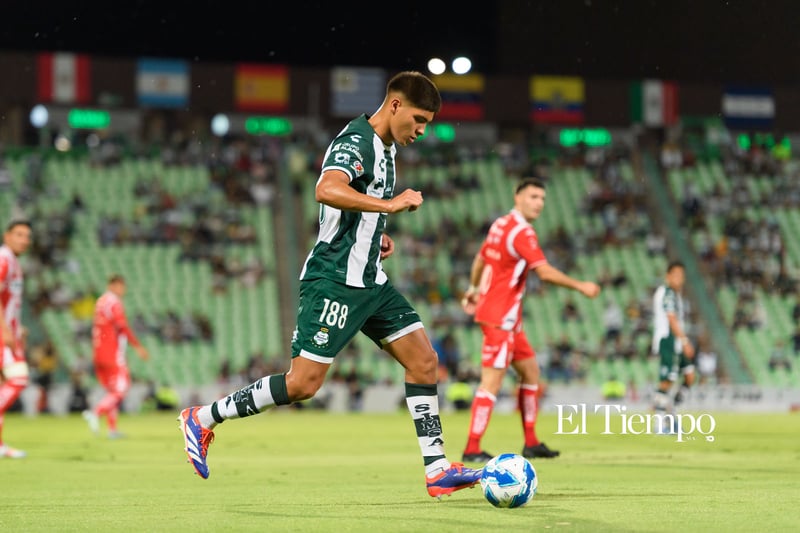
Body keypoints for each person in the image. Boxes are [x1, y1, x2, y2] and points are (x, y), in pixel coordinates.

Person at [178, 71, 482, 498]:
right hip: (335, 281)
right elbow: (326, 188)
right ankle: (204, 417)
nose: (421, 130)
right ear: (394, 105)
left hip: (370, 280)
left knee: (424, 362)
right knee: (303, 384)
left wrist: (376, 230)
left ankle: (436, 469)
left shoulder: (387, 149)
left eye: (426, 124)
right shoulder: (357, 141)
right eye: (417, 119)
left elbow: (352, 206)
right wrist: (389, 205)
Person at [460, 178, 601, 463]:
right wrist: (581, 286)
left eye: (542, 199)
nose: (539, 203)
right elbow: (545, 273)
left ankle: (532, 442)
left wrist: (474, 289)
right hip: (500, 318)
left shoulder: (500, 224)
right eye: (533, 196)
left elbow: (480, 259)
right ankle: (472, 448)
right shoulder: (522, 233)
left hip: (508, 319)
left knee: (531, 373)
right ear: (518, 196)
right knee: (491, 383)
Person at [82, 274, 149, 438]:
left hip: (98, 352)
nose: (123, 290)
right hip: (112, 353)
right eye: (120, 286)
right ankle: (95, 413)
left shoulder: (100, 301)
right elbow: (122, 326)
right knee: (121, 389)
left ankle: (112, 429)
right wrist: (138, 347)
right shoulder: (113, 302)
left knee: (112, 392)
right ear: (112, 285)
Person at [0, 220, 32, 458]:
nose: (24, 240)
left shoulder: (13, 261)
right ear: (7, 236)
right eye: (19, 234)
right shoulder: (4, 259)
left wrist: (16, 327)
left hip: (9, 331)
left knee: (6, 385)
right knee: (18, 379)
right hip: (2, 334)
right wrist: (4, 329)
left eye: (27, 236)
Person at [651, 260, 695, 432]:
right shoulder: (667, 293)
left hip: (676, 341)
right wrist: (684, 341)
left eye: (681, 276)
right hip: (669, 340)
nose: (679, 279)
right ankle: (659, 423)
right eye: (675, 275)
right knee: (667, 381)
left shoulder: (675, 295)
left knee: (690, 376)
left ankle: (671, 414)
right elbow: (671, 318)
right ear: (667, 276)